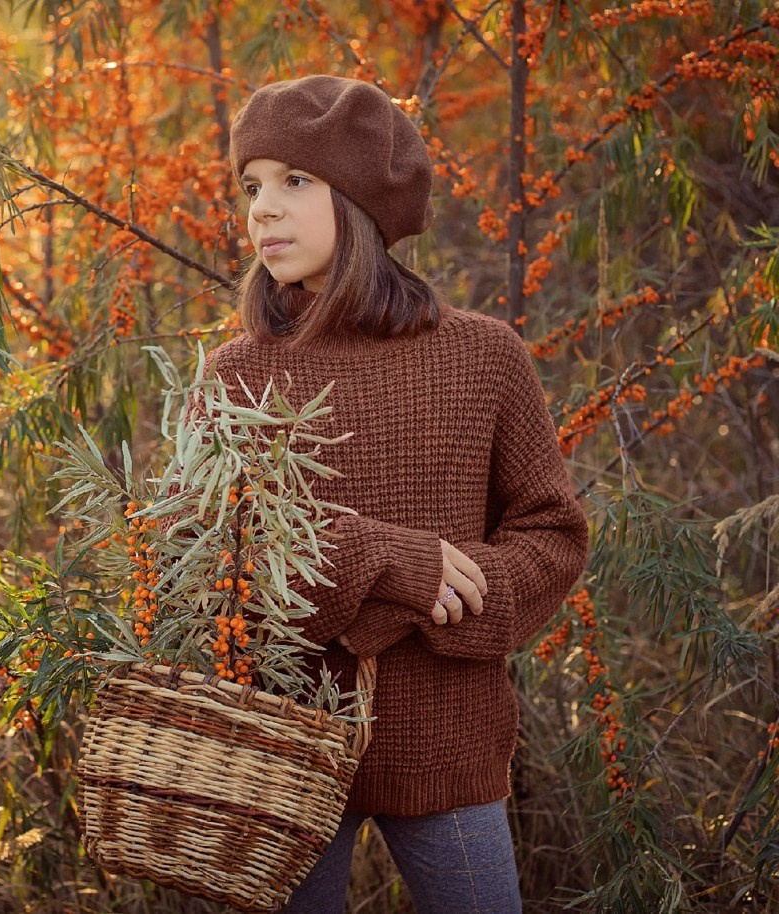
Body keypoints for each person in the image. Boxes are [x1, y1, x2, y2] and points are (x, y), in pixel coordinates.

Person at [205, 75, 590, 914]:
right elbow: (213, 560)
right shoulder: (238, 375)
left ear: (365, 199)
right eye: (251, 186)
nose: (262, 209)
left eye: (294, 181)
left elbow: (552, 533)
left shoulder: (484, 358)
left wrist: (459, 600)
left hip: (447, 734)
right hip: (283, 743)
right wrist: (397, 563)